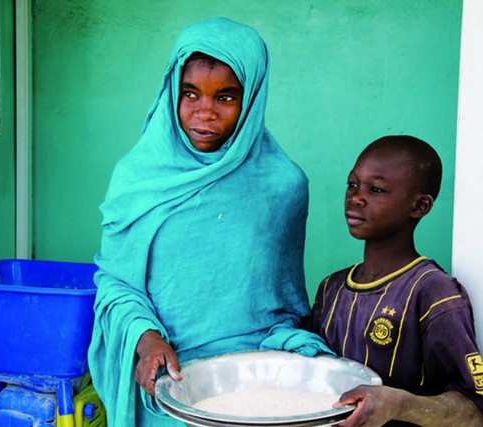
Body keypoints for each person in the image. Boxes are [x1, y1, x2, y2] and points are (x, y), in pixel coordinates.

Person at [88, 17, 331, 427]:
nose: (205, 113)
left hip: (253, 380)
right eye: (190, 93)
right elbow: (115, 282)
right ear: (172, 92)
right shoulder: (137, 178)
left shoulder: (284, 186)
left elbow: (283, 301)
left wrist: (292, 351)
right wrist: (147, 340)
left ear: (251, 98)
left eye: (226, 97)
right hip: (169, 379)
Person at [311, 135, 483, 427]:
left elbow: (474, 411)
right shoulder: (331, 288)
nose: (356, 197)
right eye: (352, 184)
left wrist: (399, 404)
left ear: (419, 206)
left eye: (376, 189)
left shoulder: (433, 292)